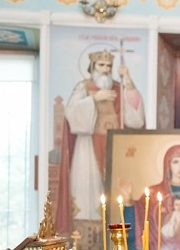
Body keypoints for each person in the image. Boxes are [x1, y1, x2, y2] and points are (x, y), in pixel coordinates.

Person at [58, 49, 145, 230]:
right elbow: (71, 113)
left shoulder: (118, 88)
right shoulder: (84, 87)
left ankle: (114, 237)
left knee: (115, 192)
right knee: (88, 193)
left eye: (109, 66)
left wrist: (128, 81)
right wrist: (94, 98)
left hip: (114, 147)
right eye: (101, 65)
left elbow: (135, 120)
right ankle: (84, 241)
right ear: (92, 67)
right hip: (88, 146)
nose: (106, 69)